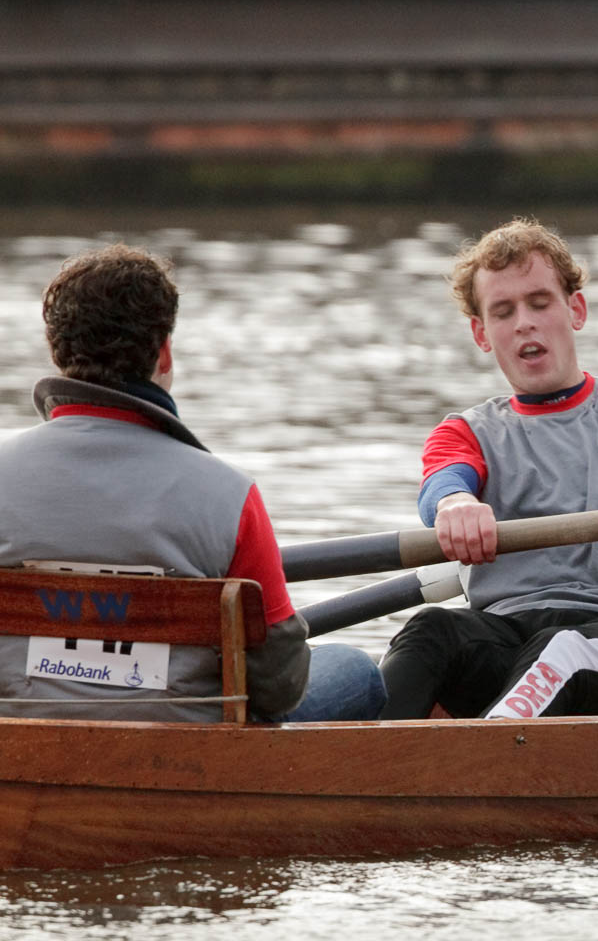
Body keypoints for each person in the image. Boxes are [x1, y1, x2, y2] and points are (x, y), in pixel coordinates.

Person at [0, 244, 384, 722]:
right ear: (164, 353)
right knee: (354, 669)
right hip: (190, 752)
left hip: (21, 744)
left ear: (56, 352)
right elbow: (279, 684)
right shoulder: (230, 495)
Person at [377, 219, 598, 719]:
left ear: (575, 310)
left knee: (561, 647)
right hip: (509, 633)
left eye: (539, 303)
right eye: (503, 311)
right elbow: (442, 485)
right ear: (481, 333)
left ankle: (485, 754)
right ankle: (357, 757)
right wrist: (456, 504)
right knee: (431, 630)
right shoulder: (465, 432)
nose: (524, 324)